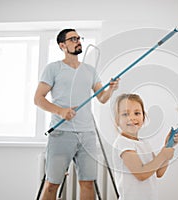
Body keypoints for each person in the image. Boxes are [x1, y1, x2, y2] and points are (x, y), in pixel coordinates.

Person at [34, 28, 119, 200]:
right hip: (61, 134)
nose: (78, 41)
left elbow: (102, 98)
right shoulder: (53, 68)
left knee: (88, 183)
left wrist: (110, 89)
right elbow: (38, 99)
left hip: (87, 134)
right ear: (62, 45)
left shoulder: (90, 70)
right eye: (73, 39)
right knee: (52, 184)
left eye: (79, 38)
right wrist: (60, 111)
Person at [112, 93, 178, 200]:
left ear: (143, 117)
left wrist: (167, 147)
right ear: (117, 120)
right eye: (125, 114)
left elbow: (158, 172)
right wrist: (163, 155)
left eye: (137, 113)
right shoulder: (123, 143)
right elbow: (141, 174)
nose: (131, 118)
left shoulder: (144, 144)